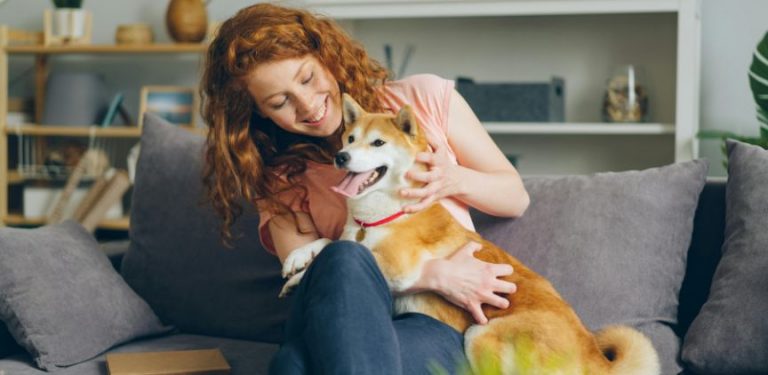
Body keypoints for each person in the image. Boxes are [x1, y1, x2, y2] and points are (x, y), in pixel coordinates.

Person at [200, 3, 530, 374]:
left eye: (308, 79)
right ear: (260, 113)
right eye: (280, 102)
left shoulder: (422, 98)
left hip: (434, 321)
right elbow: (310, 281)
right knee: (341, 257)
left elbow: (515, 197)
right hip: (337, 315)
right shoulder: (281, 177)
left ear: (326, 56)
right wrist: (432, 276)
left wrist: (453, 178)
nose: (308, 105)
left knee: (293, 364)